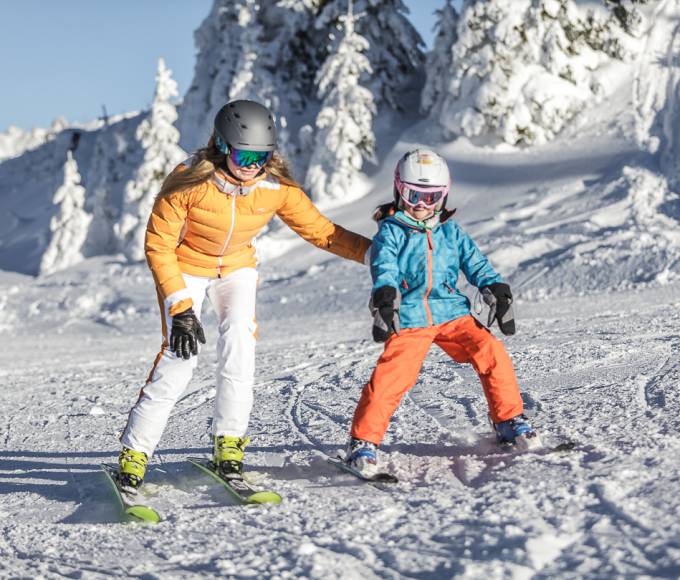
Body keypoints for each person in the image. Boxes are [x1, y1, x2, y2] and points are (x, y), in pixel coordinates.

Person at [117, 99, 371, 490]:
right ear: (221, 145)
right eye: (244, 154)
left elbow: (322, 232)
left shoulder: (274, 187)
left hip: (236, 268)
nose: (253, 165)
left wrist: (374, 254)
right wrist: (181, 308)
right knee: (180, 356)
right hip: (186, 266)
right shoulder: (188, 181)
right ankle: (135, 454)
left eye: (261, 156)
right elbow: (159, 246)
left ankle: (229, 445)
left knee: (240, 343)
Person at [344, 149, 541, 477]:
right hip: (409, 316)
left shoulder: (451, 232)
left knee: (490, 351)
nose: (421, 204)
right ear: (398, 190)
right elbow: (385, 266)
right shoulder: (391, 232)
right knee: (392, 376)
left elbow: (474, 263)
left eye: (431, 196)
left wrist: (493, 287)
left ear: (443, 195)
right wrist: (386, 296)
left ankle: (508, 421)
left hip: (451, 312)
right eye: (413, 194)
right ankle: (362, 443)